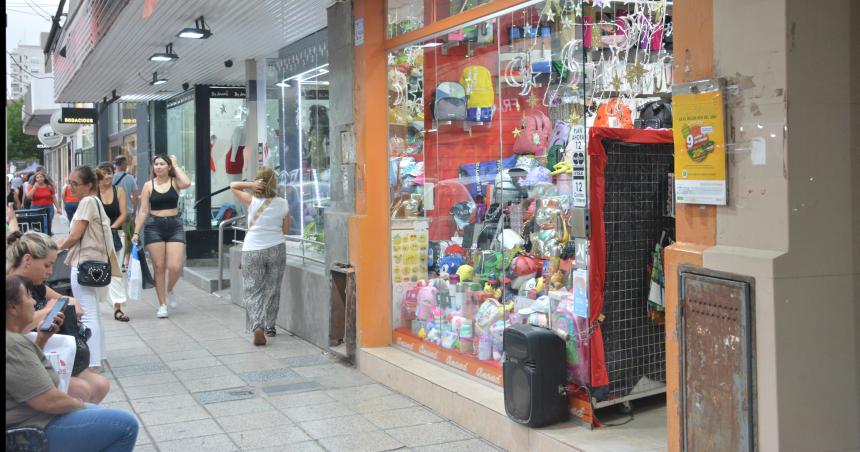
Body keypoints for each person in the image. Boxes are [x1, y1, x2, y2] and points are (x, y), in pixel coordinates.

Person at [6, 274, 139, 451]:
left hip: (34, 419)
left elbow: (25, 376)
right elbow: (48, 401)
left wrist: (42, 340)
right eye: (29, 297)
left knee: (100, 414)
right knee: (126, 425)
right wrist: (78, 404)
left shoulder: (14, 341)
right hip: (31, 429)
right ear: (13, 308)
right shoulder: (12, 344)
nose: (33, 302)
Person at [6, 230, 110, 403]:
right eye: (47, 265)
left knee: (100, 384)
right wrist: (47, 311)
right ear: (27, 260)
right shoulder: (11, 287)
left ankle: (77, 423)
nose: (50, 271)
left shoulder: (35, 285)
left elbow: (61, 298)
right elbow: (14, 328)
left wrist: (73, 302)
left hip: (46, 352)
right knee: (81, 390)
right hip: (20, 361)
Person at [56, 166, 121, 369]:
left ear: (89, 185)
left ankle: (92, 362)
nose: (70, 187)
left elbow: (75, 236)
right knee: (93, 311)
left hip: (84, 262)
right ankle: (98, 357)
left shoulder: (86, 202)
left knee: (87, 312)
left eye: (75, 183)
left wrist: (56, 246)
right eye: (69, 182)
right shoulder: (96, 201)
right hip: (95, 262)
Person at [229, 166, 290, 345]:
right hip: (276, 247)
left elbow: (233, 185)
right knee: (273, 288)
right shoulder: (283, 203)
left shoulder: (251, 200)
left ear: (258, 182)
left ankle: (257, 325)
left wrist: (251, 185)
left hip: (252, 249)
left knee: (252, 289)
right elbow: (285, 230)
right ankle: (270, 326)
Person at [132, 154, 191, 318]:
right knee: (159, 267)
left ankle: (170, 288)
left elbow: (186, 183)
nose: (158, 167)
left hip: (175, 225)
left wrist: (176, 165)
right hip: (154, 226)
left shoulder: (175, 182)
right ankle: (162, 305)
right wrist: (136, 232)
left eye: (162, 164)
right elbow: (143, 211)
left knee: (175, 266)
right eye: (156, 164)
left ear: (169, 167)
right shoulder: (148, 185)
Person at [96, 163, 130, 322]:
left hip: (116, 235)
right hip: (96, 237)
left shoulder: (119, 191)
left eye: (110, 173)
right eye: (104, 173)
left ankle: (118, 308)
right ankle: (93, 306)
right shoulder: (93, 193)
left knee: (116, 273)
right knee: (96, 271)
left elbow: (123, 214)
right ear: (98, 176)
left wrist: (111, 228)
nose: (108, 176)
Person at [112, 155, 138, 269]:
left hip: (114, 212)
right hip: (126, 211)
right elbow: (135, 196)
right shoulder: (130, 178)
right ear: (122, 164)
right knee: (128, 237)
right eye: (126, 163)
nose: (127, 165)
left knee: (114, 236)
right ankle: (126, 263)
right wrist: (134, 210)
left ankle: (118, 261)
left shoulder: (111, 178)